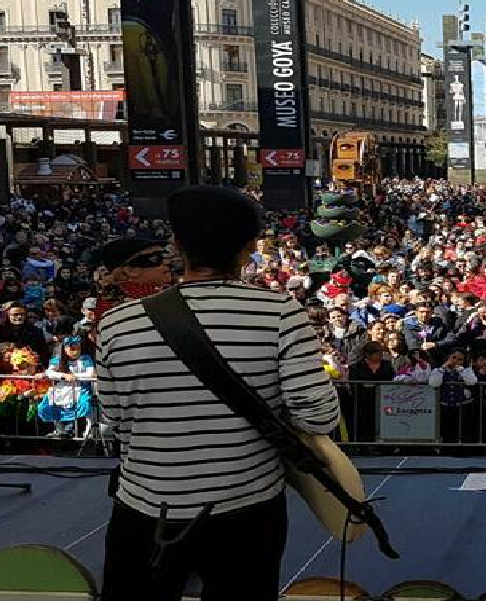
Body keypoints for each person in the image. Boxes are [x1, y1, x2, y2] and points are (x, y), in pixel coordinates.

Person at [95, 186, 340, 601]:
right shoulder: (280, 314)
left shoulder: (118, 324)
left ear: (177, 246)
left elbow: (116, 422)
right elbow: (318, 416)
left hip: (144, 508)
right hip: (246, 509)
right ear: (249, 250)